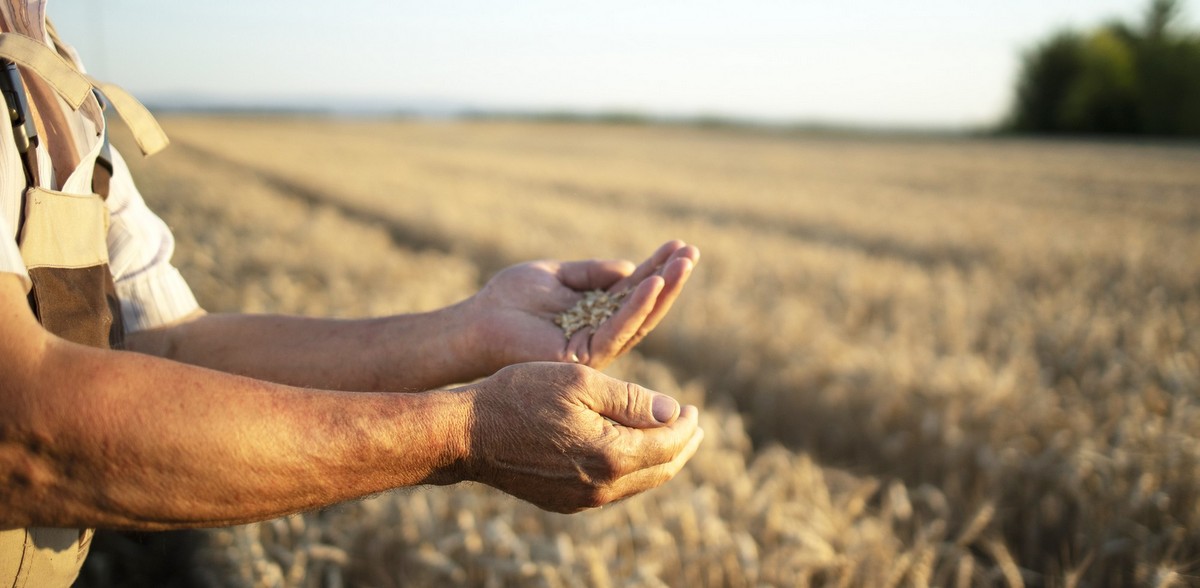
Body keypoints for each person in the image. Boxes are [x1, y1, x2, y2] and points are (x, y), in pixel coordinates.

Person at [0, 2, 703, 586]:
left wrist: (473, 329)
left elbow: (165, 343)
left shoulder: (41, 52)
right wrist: (467, 433)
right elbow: (22, 424)